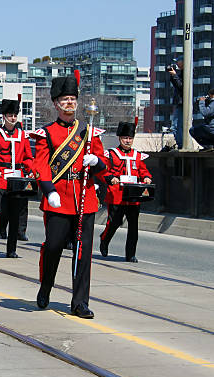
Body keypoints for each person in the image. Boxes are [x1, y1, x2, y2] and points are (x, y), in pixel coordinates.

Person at [31, 73, 107, 319]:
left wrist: (95, 161)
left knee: (83, 253)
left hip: (85, 198)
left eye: (73, 99)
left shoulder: (89, 131)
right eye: (64, 99)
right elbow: (40, 164)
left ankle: (80, 302)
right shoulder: (48, 133)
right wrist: (49, 190)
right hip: (58, 197)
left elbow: (104, 165)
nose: (69, 103)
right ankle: (46, 286)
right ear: (55, 103)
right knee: (53, 247)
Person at [0, 98, 34, 258]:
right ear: (3, 116)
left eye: (15, 115)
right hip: (1, 179)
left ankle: (11, 249)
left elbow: (28, 157)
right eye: (10, 115)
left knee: (15, 216)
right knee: (3, 212)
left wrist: (30, 170)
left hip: (17, 180)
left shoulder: (22, 135)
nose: (13, 118)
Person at [100, 120, 152, 263]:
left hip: (133, 196)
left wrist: (147, 178)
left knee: (133, 226)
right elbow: (104, 171)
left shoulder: (137, 155)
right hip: (116, 195)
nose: (128, 141)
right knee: (114, 223)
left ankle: (130, 254)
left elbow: (143, 171)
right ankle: (104, 240)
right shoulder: (111, 154)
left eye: (130, 138)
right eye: (125, 138)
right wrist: (111, 178)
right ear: (119, 138)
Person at [168, 56, 184, 149]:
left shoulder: (187, 73)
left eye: (178, 61)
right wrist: (173, 75)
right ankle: (180, 144)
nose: (177, 63)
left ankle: (181, 145)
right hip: (180, 102)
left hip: (182, 103)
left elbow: (182, 87)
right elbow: (177, 85)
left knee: (177, 126)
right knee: (176, 126)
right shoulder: (182, 73)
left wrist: (174, 75)